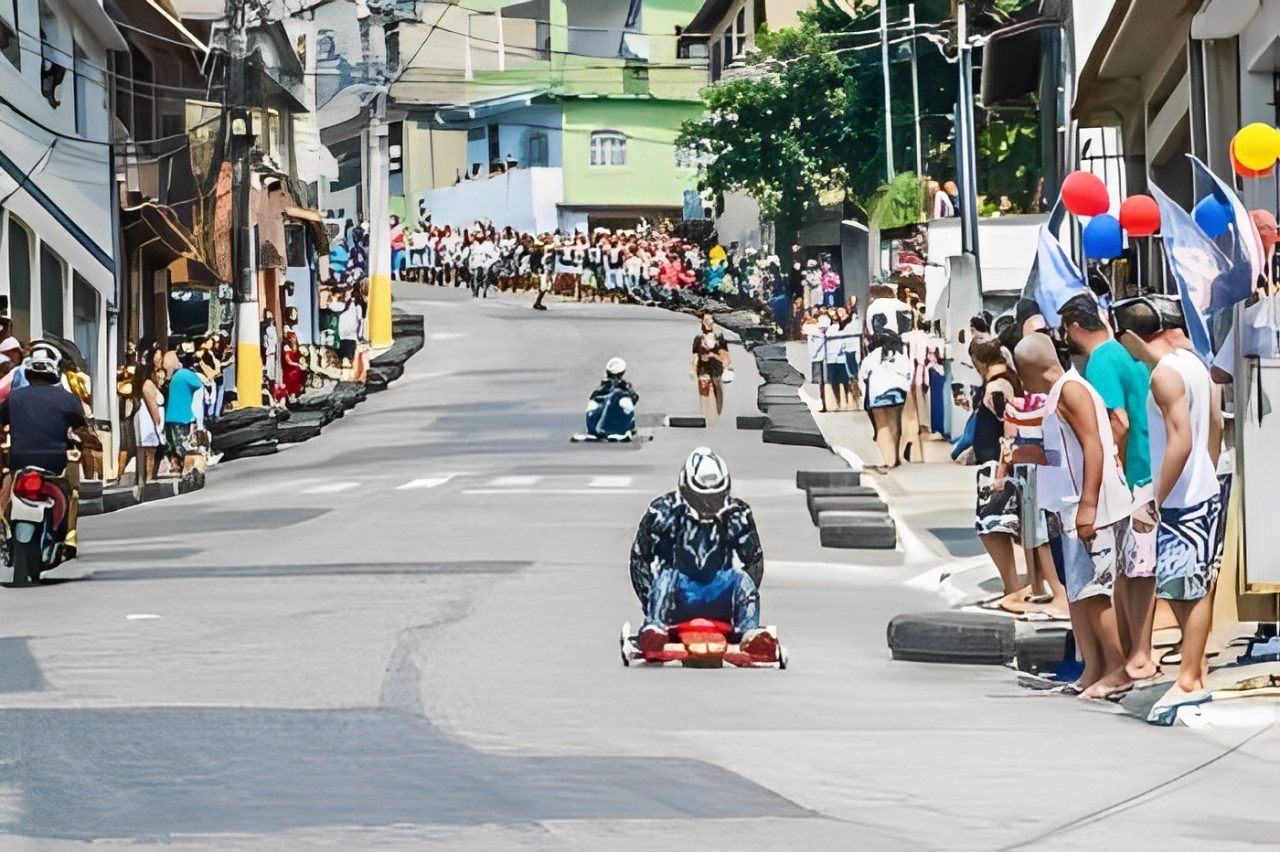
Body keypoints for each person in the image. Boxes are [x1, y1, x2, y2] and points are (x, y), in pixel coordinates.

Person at [1113, 296, 1223, 722]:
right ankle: (1194, 670)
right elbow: (1213, 426)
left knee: (1184, 592)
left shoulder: (1165, 375)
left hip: (1181, 500)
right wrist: (1204, 476)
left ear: (1130, 336)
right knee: (1195, 589)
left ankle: (1190, 679)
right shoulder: (1195, 364)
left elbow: (1181, 441)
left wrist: (1157, 500)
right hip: (1203, 490)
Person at [1015, 332, 1135, 701]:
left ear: (1028, 369)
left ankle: (1118, 669)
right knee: (1080, 592)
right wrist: (1021, 456)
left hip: (1087, 507)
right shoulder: (1061, 394)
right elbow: (1064, 453)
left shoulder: (1072, 390)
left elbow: (1094, 446)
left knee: (1095, 592)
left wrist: (1088, 506)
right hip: (1067, 505)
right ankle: (1093, 668)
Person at [1059, 293, 1157, 680]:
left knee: (1130, 572)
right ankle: (1137, 650)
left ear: (1075, 328)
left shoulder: (1100, 360)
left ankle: (1138, 653)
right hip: (1146, 469)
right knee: (1137, 571)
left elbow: (1117, 422)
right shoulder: (1122, 354)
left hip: (1132, 477)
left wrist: (1107, 475)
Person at [628, 448, 774, 657]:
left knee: (742, 579)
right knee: (666, 576)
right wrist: (649, 599)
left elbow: (754, 559)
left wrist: (736, 607)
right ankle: (655, 628)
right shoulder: (661, 512)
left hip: (719, 591)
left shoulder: (738, 514)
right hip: (678, 595)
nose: (708, 505)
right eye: (702, 498)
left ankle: (749, 633)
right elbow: (640, 558)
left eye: (714, 498)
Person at [0, 344, 90, 554]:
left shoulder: (14, 398)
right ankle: (69, 535)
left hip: (19, 461)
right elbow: (82, 428)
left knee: (9, 484)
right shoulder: (68, 399)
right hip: (55, 462)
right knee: (72, 490)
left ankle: (5, 525)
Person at [967, 338, 1027, 609]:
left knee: (992, 526)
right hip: (996, 461)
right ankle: (1013, 585)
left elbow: (1008, 428)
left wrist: (1003, 468)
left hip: (996, 464)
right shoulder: (1009, 379)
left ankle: (1012, 585)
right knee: (999, 527)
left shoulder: (996, 387)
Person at [859, 329, 913, 469]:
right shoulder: (901, 355)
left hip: (877, 393)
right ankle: (895, 457)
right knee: (895, 425)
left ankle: (887, 460)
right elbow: (908, 373)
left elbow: (863, 376)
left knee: (882, 427)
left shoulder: (871, 357)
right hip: (897, 392)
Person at [162, 353, 205, 476]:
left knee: (175, 445)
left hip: (170, 417)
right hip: (183, 416)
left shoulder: (174, 379)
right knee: (183, 445)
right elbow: (200, 385)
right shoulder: (185, 375)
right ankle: (186, 469)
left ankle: (178, 467)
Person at [585, 357, 639, 440]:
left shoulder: (622, 386)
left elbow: (634, 398)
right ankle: (593, 429)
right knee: (593, 404)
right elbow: (635, 398)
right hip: (606, 411)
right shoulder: (605, 386)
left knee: (625, 403)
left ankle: (624, 428)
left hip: (616, 414)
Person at [691, 313, 730, 422]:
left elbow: (725, 354)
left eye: (709, 320)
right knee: (704, 389)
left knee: (717, 387)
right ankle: (707, 413)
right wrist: (693, 367)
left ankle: (718, 411)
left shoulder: (719, 337)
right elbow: (695, 353)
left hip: (716, 366)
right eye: (705, 321)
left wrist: (714, 356)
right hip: (703, 367)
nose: (707, 323)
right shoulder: (698, 338)